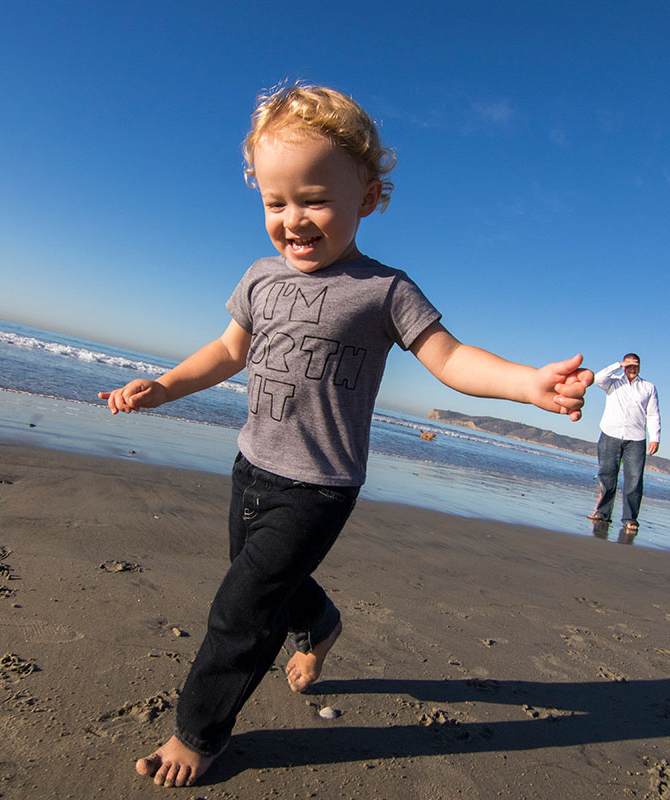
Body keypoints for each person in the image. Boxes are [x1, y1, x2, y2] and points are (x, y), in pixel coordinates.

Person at [98, 84, 594, 788]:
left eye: (314, 199)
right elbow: (228, 350)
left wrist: (527, 383)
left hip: (320, 486)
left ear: (368, 195)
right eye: (276, 202)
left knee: (240, 608)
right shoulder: (260, 279)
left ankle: (198, 732)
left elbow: (450, 358)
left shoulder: (384, 290)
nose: (293, 220)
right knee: (267, 586)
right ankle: (322, 623)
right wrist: (167, 384)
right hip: (252, 468)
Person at [587, 354, 660, 535]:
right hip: (610, 434)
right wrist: (619, 365)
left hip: (636, 439)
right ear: (624, 366)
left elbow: (653, 414)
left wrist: (655, 437)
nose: (632, 368)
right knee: (607, 475)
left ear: (640, 367)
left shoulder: (648, 387)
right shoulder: (613, 382)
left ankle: (630, 519)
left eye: (636, 365)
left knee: (634, 480)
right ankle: (602, 513)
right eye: (629, 365)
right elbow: (598, 378)